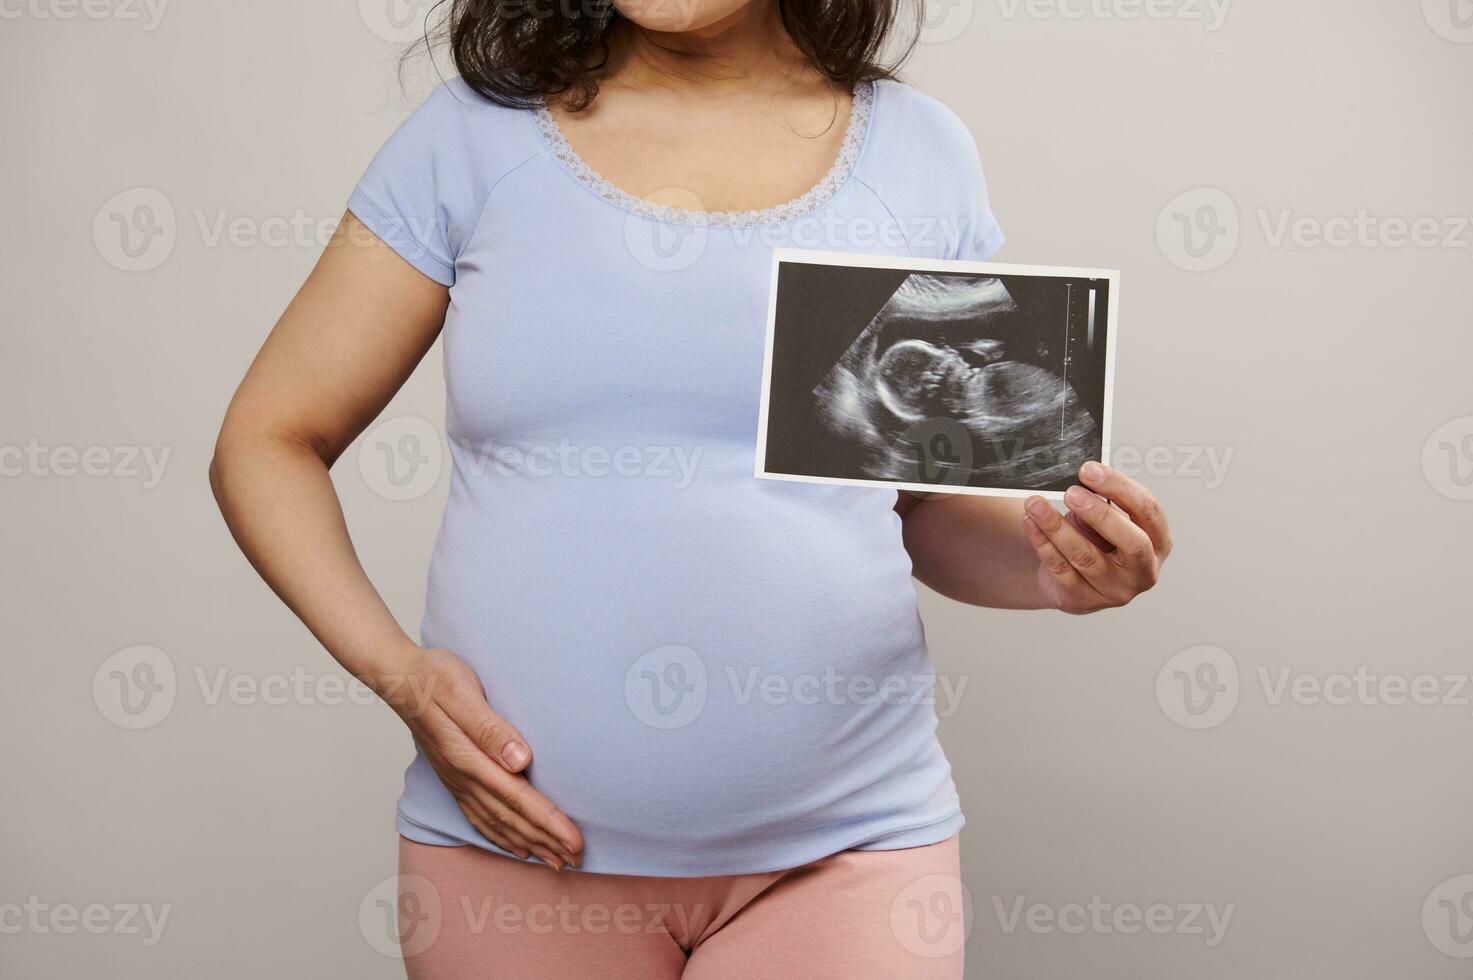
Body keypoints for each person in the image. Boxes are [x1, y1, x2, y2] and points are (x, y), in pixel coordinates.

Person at [209, 0, 1172, 974]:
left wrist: (1054, 565)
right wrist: (402, 675)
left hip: (848, 855)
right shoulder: (469, 139)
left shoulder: (919, 154)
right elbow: (268, 439)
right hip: (512, 851)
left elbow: (915, 504)